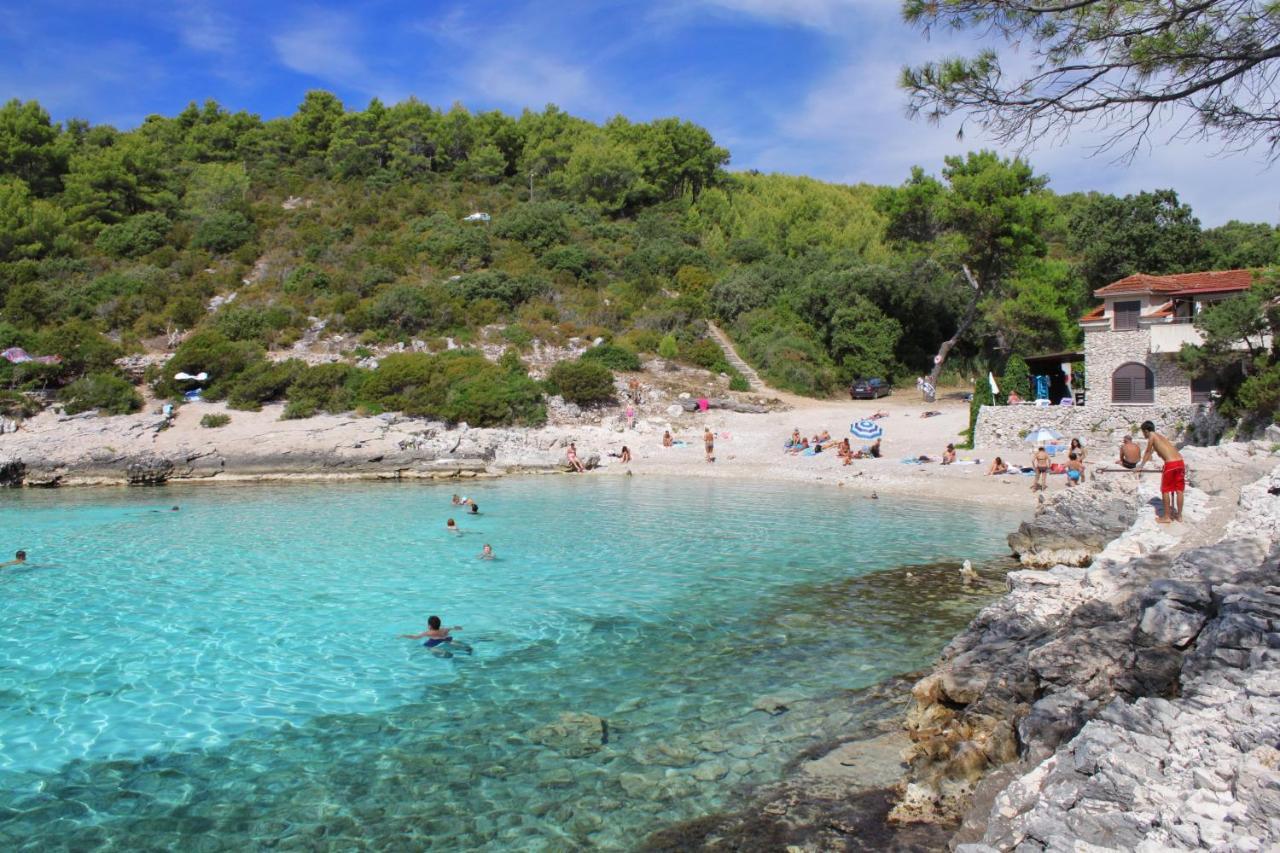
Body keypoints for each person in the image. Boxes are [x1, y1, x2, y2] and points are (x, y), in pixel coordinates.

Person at [1140, 421, 1186, 523]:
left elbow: (1148, 452)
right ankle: (1179, 516)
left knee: (1165, 490)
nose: (1143, 435)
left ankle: (1166, 517)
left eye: (1143, 432)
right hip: (1180, 463)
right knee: (1179, 490)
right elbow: (1156, 452)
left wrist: (1141, 466)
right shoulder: (1160, 437)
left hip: (1170, 465)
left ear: (1146, 431)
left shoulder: (1152, 436)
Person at [401, 615, 472, 654]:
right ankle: (466, 649)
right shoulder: (444, 629)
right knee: (450, 642)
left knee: (427, 647)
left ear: (429, 626)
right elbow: (455, 628)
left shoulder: (428, 633)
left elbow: (415, 637)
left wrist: (404, 635)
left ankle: (444, 654)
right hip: (446, 639)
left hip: (434, 643)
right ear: (439, 624)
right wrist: (459, 627)